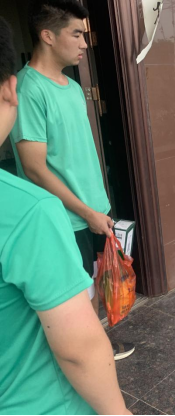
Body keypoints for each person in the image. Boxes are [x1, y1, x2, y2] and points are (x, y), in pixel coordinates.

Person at [0, 17, 130, 415]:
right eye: (76, 33)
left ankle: (96, 347)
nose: (84, 43)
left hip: (89, 213)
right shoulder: (30, 89)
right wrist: (86, 211)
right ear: (46, 34)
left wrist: (98, 207)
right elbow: (35, 167)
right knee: (68, 319)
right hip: (67, 218)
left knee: (88, 294)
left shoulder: (74, 88)